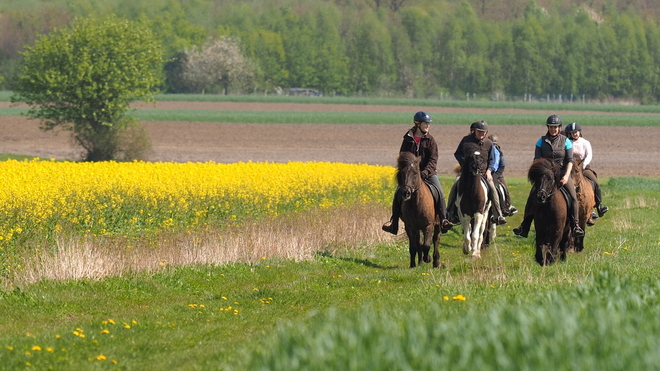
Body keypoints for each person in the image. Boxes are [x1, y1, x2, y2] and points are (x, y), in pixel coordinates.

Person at [513, 115, 585, 238]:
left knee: (573, 197)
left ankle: (575, 225)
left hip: (562, 174)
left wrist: (567, 176)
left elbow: (569, 160)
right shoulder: (541, 141)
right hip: (545, 176)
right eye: (551, 127)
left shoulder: (566, 141)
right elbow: (537, 160)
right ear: (548, 127)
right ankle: (525, 225)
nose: (553, 129)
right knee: (532, 196)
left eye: (556, 127)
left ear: (559, 127)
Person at [382, 111, 453, 235]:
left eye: (428, 123)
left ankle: (443, 219)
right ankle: (394, 224)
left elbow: (433, 159)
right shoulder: (407, 139)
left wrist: (425, 172)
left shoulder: (430, 140)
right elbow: (402, 157)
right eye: (425, 123)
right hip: (410, 176)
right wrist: (408, 172)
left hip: (428, 174)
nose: (428, 126)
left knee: (439, 192)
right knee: (398, 193)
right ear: (417, 123)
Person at [446, 120, 507, 225]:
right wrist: (465, 162)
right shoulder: (466, 141)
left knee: (493, 188)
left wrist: (489, 171)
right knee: (455, 185)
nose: (482, 134)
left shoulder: (488, 143)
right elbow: (458, 154)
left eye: (484, 132)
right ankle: (450, 213)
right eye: (479, 131)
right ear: (474, 131)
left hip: (483, 173)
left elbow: (492, 159)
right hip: (466, 172)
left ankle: (498, 214)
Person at [564, 122, 609, 222]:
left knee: (595, 183)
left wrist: (584, 165)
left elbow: (589, 155)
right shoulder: (567, 142)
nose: (574, 134)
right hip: (570, 168)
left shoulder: (585, 143)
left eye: (576, 132)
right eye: (572, 132)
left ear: (579, 132)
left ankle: (598, 206)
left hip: (583, 167)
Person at [488, 133, 518, 216]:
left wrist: (497, 174)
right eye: (492, 143)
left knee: (504, 189)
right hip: (488, 172)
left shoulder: (499, 152)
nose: (493, 145)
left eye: (494, 144)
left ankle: (507, 207)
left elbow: (502, 165)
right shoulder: (486, 150)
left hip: (498, 173)